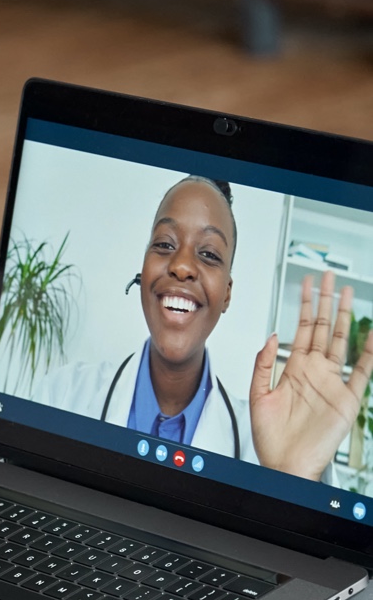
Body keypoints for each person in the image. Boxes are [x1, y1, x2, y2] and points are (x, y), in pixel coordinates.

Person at [32, 175, 373, 482]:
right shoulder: (62, 396)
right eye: (165, 244)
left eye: (209, 254)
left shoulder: (265, 447)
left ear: (226, 294)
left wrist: (291, 480)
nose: (181, 266)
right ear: (144, 268)